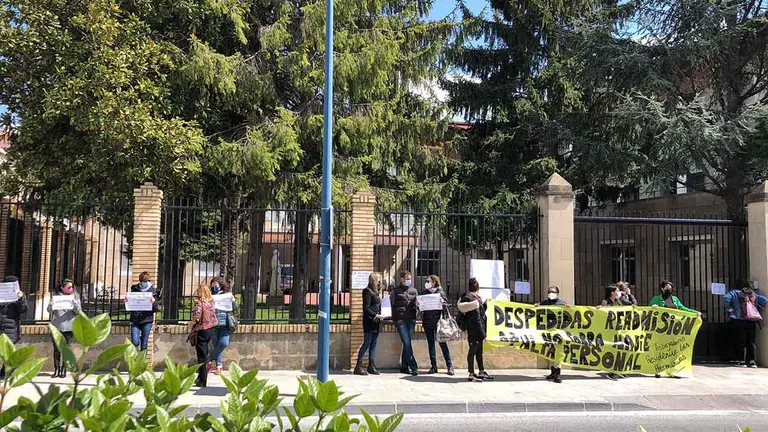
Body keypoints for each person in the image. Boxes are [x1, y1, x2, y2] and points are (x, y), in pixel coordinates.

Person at [649, 280, 700, 378]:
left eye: (670, 288)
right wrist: (653, 307)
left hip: (673, 329)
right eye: (667, 288)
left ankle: (674, 371)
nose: (669, 290)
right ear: (662, 288)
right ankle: (659, 370)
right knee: (661, 350)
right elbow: (648, 310)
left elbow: (682, 308)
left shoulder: (674, 299)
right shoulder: (656, 299)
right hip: (662, 329)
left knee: (674, 350)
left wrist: (694, 312)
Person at [724, 280, 767, 368]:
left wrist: (730, 308)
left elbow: (726, 298)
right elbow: (765, 300)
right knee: (751, 342)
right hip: (751, 320)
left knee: (740, 341)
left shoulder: (734, 292)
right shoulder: (753, 294)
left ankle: (741, 360)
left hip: (739, 320)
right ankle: (751, 361)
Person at [457, 277, 493, 383]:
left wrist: (485, 304)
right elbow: (476, 318)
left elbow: (480, 313)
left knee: (479, 351)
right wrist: (482, 334)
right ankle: (471, 374)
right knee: (472, 351)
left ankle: (481, 371)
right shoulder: (472, 300)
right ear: (477, 287)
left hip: (475, 329)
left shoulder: (474, 298)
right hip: (475, 330)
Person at [419, 275, 454, 375]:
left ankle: (449, 366)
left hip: (439, 322)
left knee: (443, 344)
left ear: (434, 282)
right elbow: (421, 307)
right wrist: (418, 304)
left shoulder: (440, 293)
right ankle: (433, 366)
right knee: (431, 345)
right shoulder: (424, 293)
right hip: (427, 321)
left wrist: (443, 303)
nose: (426, 283)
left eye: (428, 281)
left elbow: (446, 306)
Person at [47, 279, 81, 378]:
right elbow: (49, 310)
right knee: (56, 349)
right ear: (62, 288)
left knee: (66, 349)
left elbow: (78, 311)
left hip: (68, 327)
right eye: (69, 287)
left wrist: (75, 304)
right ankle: (56, 369)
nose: (71, 289)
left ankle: (64, 369)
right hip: (57, 327)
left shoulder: (75, 296)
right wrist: (51, 304)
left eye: (72, 287)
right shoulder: (56, 297)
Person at [535, 286, 568, 383]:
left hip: (558, 332)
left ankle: (557, 374)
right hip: (547, 332)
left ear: (557, 294)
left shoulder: (562, 304)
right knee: (551, 352)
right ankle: (553, 372)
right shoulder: (544, 303)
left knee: (558, 352)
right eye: (549, 291)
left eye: (553, 292)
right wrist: (536, 306)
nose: (551, 293)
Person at [354, 272, 384, 376]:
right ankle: (358, 366)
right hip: (369, 321)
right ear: (373, 280)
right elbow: (366, 308)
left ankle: (371, 365)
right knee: (367, 343)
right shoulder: (367, 291)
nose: (380, 281)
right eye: (378, 279)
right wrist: (375, 315)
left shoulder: (377, 292)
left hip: (377, 322)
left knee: (373, 344)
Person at [190, 282, 218, 388]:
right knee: (205, 353)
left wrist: (191, 323)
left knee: (201, 356)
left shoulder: (200, 304)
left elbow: (197, 317)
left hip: (201, 330)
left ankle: (202, 380)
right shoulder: (211, 303)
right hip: (210, 329)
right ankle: (200, 377)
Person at [391, 271, 419, 376]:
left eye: (410, 279)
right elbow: (391, 304)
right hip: (400, 319)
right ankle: (413, 366)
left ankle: (404, 366)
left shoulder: (414, 291)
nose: (409, 281)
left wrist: (417, 305)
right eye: (407, 279)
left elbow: (418, 304)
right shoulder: (395, 291)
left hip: (411, 319)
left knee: (406, 343)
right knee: (407, 342)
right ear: (402, 279)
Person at [125, 272, 160, 353]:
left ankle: (143, 360)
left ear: (148, 281)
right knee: (135, 342)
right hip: (135, 319)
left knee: (144, 344)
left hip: (147, 320)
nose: (143, 284)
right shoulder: (134, 289)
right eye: (142, 281)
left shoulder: (153, 291)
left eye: (145, 281)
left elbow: (155, 309)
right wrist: (127, 301)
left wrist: (153, 302)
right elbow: (130, 305)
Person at [0, 275, 27, 379]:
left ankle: (6, 371)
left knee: (8, 351)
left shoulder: (19, 296)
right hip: (1, 325)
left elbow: (23, 310)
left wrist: (20, 299)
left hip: (11, 327)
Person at [209, 277, 237, 375]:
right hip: (213, 324)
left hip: (225, 324)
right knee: (216, 345)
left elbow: (235, 308)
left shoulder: (226, 295)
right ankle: (219, 366)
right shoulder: (211, 296)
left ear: (220, 285)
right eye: (212, 285)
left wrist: (233, 301)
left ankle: (209, 360)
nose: (214, 287)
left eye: (215, 285)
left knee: (223, 343)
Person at [598, 285, 623, 380]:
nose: (618, 292)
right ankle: (611, 371)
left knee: (619, 350)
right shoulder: (605, 302)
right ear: (612, 292)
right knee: (611, 350)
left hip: (618, 329)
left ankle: (617, 370)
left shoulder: (618, 301)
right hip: (609, 330)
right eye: (617, 291)